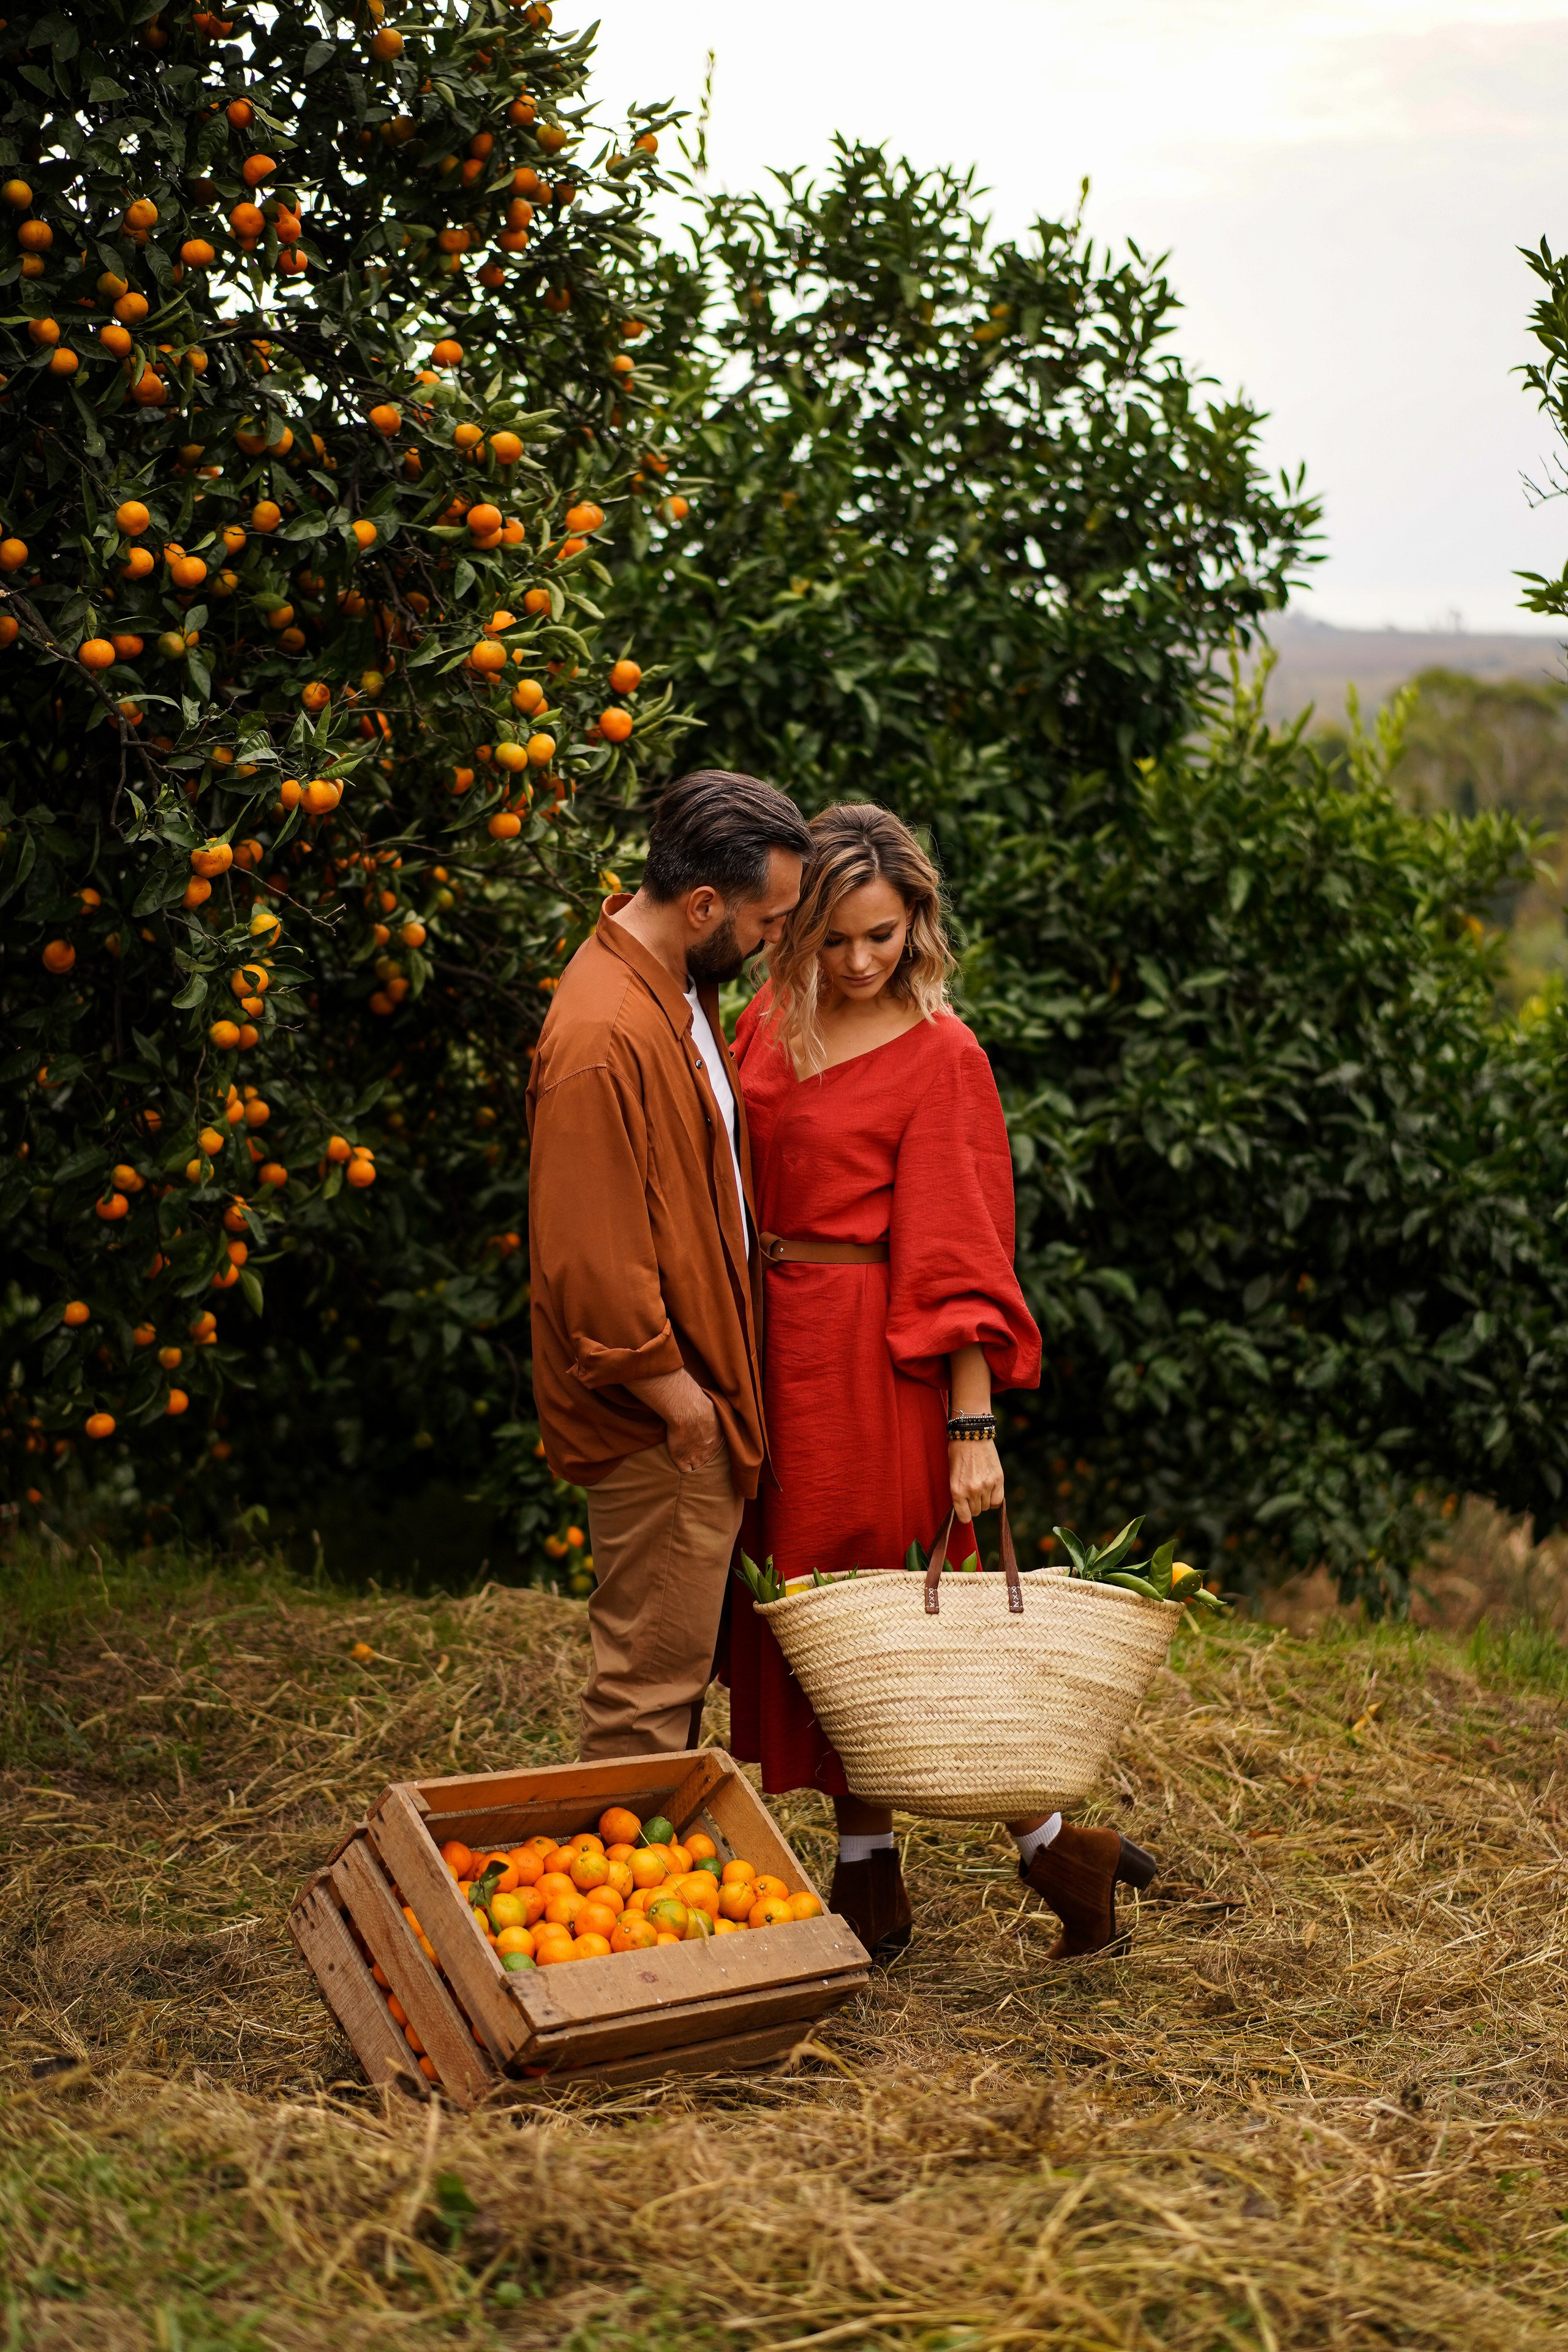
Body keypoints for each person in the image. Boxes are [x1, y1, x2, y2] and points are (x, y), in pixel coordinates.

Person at [725, 802, 1158, 1958]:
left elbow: (962, 1255)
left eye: (886, 934)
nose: (864, 961)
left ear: (917, 922)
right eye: (838, 938)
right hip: (777, 1346)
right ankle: (939, 1864)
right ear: (796, 929)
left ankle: (1035, 1849)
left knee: (883, 1622)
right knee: (816, 1614)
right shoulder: (765, 1019)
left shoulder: (942, 1053)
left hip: (881, 1363)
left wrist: (974, 1427)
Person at [527, 767, 812, 1761]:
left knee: (676, 1672)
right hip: (664, 1420)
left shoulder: (677, 986)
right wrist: (679, 1397)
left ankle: (658, 1898)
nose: (776, 941)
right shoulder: (606, 1034)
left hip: (698, 1399)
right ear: (702, 905)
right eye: (768, 920)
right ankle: (622, 1910)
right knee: (647, 1689)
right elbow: (588, 1253)